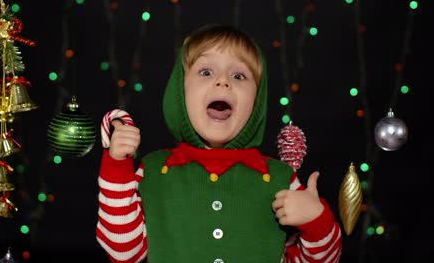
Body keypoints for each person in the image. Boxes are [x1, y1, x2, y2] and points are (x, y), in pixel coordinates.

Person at [96, 24, 342, 263]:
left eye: (239, 75)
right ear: (180, 93)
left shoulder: (280, 178)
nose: (223, 82)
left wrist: (317, 222)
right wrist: (117, 166)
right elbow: (124, 253)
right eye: (206, 72)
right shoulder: (152, 171)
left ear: (256, 103)